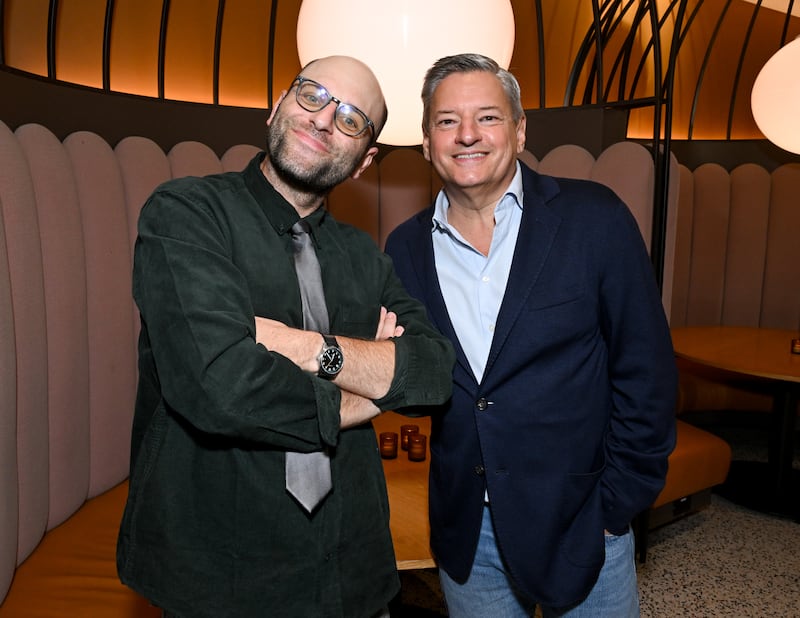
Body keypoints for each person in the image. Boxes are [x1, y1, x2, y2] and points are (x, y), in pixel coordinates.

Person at [116, 55, 456, 618]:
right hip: (220, 579)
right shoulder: (186, 214)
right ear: (277, 106)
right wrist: (370, 391)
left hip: (355, 572)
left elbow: (432, 371)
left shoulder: (366, 259)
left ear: (364, 161)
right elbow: (221, 385)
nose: (324, 119)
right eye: (312, 95)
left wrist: (306, 349)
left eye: (351, 118)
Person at [384, 53, 677, 617]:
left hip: (581, 519)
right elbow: (428, 393)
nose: (467, 134)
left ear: (520, 131)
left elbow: (647, 372)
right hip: (467, 534)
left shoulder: (594, 219)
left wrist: (616, 505)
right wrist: (388, 364)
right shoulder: (404, 249)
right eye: (446, 121)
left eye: (488, 117)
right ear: (426, 142)